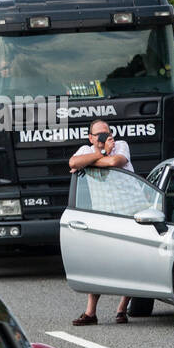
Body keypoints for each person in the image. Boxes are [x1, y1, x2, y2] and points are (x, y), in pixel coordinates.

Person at [69, 120, 133, 325]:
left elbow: (116, 162)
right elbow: (72, 163)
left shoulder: (120, 145)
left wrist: (89, 161)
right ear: (91, 138)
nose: (105, 138)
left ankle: (122, 308)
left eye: (107, 133)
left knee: (128, 260)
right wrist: (100, 154)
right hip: (102, 213)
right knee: (97, 261)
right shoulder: (85, 149)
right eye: (99, 135)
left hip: (128, 209)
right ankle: (91, 313)